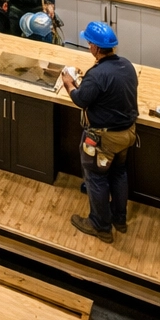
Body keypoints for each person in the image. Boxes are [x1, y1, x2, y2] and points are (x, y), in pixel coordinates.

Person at [60, 21, 138, 243]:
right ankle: (119, 219)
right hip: (128, 134)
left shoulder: (97, 74)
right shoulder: (127, 65)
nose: (88, 46)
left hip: (105, 139)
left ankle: (100, 226)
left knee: (96, 178)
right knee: (119, 172)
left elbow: (80, 99)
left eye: (89, 43)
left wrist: (69, 83)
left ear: (94, 47)